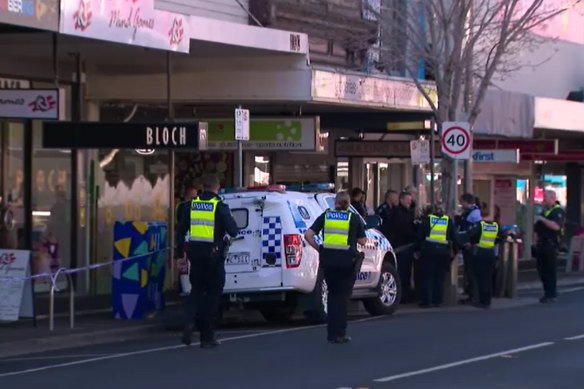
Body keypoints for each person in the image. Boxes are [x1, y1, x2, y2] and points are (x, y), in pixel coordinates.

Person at [176, 174, 239, 348]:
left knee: (195, 291)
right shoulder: (219, 207)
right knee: (212, 295)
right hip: (213, 256)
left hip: (194, 255)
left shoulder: (191, 206)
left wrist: (178, 256)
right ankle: (207, 337)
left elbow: (180, 231)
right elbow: (233, 231)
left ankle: (189, 322)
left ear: (203, 187)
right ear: (217, 187)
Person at [305, 191, 366, 344]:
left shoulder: (326, 216)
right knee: (342, 298)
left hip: (329, 262)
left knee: (332, 297)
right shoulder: (353, 218)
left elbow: (308, 235)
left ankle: (331, 333)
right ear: (348, 203)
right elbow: (363, 241)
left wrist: (320, 249)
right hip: (346, 263)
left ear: (335, 202)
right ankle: (341, 333)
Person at [414, 205, 458, 308]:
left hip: (429, 252)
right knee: (440, 277)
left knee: (428, 277)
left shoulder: (427, 220)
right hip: (444, 253)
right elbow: (454, 238)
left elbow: (419, 236)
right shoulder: (448, 221)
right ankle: (438, 301)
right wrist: (454, 252)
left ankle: (427, 301)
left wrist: (417, 250)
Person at [462, 218, 500, 308]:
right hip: (491, 253)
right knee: (488, 278)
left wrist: (471, 242)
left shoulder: (480, 225)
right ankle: (487, 300)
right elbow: (500, 237)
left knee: (481, 278)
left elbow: (471, 234)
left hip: (480, 252)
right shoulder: (495, 226)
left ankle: (482, 301)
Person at [534, 190, 565, 303]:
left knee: (549, 270)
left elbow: (556, 226)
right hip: (541, 243)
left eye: (545, 197)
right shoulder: (545, 211)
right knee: (542, 269)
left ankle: (551, 293)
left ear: (552, 198)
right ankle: (547, 292)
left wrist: (542, 220)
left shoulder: (557, 211)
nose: (543, 199)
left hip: (550, 244)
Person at [388, 191, 417, 303]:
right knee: (402, 272)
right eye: (408, 200)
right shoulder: (398, 213)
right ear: (401, 200)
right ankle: (402, 296)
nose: (410, 202)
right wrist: (414, 235)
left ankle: (405, 294)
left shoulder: (406, 212)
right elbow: (403, 229)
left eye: (411, 200)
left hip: (406, 246)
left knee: (406, 272)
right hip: (401, 247)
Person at [458, 193, 482, 304]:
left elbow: (475, 230)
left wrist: (470, 242)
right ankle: (471, 294)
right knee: (468, 271)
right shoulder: (470, 212)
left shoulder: (474, 213)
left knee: (472, 271)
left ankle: (474, 296)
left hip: (470, 245)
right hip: (467, 244)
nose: (461, 204)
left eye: (462, 202)